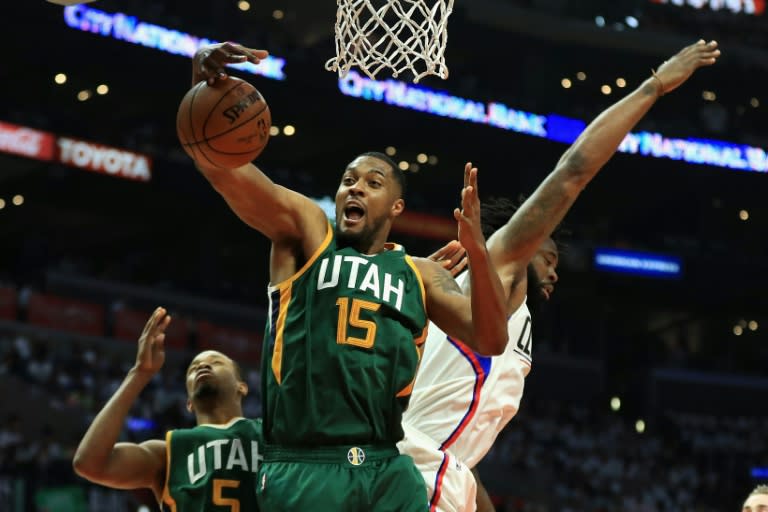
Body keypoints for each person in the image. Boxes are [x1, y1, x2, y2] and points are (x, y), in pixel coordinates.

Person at [399, 38, 722, 512]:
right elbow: (574, 170)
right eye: (549, 255)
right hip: (412, 470)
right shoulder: (500, 261)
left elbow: (459, 454)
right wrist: (654, 87)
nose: (555, 269)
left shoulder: (508, 308)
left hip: (433, 467)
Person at [187, 44, 510, 511]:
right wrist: (202, 91)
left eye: (372, 182)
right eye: (348, 180)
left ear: (396, 207)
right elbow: (228, 174)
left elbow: (491, 337)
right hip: (305, 465)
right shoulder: (307, 236)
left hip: (386, 466)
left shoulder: (420, 274)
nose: (355, 186)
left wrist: (479, 254)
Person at [72, 307, 263, 512]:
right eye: (193, 368)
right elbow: (89, 463)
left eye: (216, 362)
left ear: (241, 387)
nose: (202, 366)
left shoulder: (269, 432)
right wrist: (139, 373)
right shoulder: (169, 452)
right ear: (189, 402)